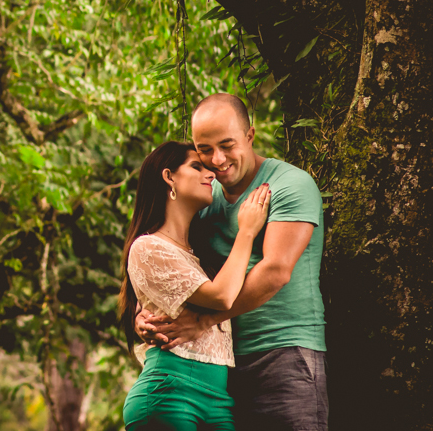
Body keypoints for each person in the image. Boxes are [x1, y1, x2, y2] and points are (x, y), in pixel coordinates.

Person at [136, 94, 328, 430]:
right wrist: (146, 313)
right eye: (205, 150)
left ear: (250, 135)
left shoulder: (287, 185)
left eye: (227, 145)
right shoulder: (206, 201)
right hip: (223, 371)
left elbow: (275, 272)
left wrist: (204, 320)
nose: (217, 159)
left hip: (283, 353)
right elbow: (177, 269)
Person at [120, 140, 271, 430]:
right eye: (196, 166)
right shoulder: (148, 247)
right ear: (169, 177)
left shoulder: (198, 253)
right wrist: (247, 231)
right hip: (170, 393)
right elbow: (223, 296)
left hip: (219, 398)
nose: (211, 173)